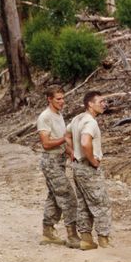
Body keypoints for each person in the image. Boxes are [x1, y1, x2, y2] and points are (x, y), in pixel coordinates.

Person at [66, 91, 112, 250]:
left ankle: (86, 239)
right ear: (90, 104)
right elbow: (86, 142)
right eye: (100, 101)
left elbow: (67, 135)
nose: (104, 104)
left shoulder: (77, 118)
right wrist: (93, 160)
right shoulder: (90, 123)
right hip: (88, 167)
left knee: (83, 203)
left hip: (77, 167)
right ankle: (104, 239)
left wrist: (72, 151)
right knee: (101, 203)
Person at [36, 86, 80, 248]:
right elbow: (46, 143)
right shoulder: (45, 117)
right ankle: (72, 235)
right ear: (49, 99)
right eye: (58, 99)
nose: (62, 102)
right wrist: (65, 139)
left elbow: (60, 141)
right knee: (68, 197)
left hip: (59, 160)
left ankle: (48, 231)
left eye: (63, 98)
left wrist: (71, 153)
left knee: (54, 196)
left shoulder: (58, 115)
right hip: (51, 162)